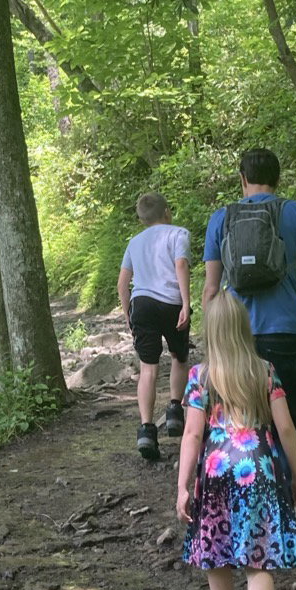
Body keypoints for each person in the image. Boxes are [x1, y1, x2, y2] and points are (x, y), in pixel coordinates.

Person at [176, 291, 296, 590]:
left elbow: (192, 434)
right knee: (259, 554)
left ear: (211, 332)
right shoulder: (264, 371)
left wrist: (182, 484)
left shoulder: (200, 375)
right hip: (260, 470)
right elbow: (286, 429)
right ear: (244, 328)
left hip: (216, 471)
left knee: (215, 548)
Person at [201, 147, 296, 439]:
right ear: (278, 178)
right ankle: (289, 483)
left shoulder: (221, 219)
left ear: (243, 178)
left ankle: (249, 482)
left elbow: (211, 290)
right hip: (286, 336)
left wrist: (209, 349)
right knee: (287, 427)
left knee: (239, 430)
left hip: (233, 338)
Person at [117, 192, 192, 461]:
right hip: (171, 302)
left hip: (143, 304)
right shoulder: (178, 233)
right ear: (167, 212)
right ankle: (174, 411)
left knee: (148, 368)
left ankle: (147, 429)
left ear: (141, 219)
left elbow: (122, 283)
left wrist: (129, 313)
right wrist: (186, 302)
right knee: (178, 356)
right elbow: (181, 264)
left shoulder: (134, 243)